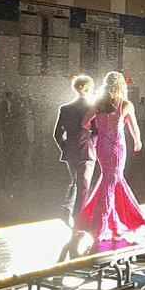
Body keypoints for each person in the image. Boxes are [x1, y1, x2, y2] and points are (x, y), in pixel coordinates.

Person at [79, 71, 145, 241]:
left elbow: (84, 123)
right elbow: (134, 127)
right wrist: (137, 141)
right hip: (117, 147)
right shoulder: (125, 104)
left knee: (109, 181)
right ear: (121, 86)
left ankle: (113, 225)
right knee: (112, 182)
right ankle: (99, 226)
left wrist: (96, 128)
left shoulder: (99, 104)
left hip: (102, 146)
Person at [54, 75, 97, 228]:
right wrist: (93, 144)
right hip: (86, 149)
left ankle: (67, 211)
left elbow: (57, 133)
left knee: (76, 182)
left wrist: (64, 146)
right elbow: (96, 131)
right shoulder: (91, 108)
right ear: (87, 88)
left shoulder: (65, 109)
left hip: (71, 148)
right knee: (84, 185)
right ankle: (79, 218)